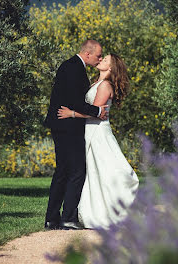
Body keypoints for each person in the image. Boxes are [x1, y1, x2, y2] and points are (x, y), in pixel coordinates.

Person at [57, 53, 139, 229]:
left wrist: (70, 113)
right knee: (93, 171)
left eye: (105, 60)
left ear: (110, 68)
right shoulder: (95, 83)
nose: (101, 60)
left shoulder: (104, 86)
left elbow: (95, 112)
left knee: (105, 169)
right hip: (89, 129)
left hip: (98, 132)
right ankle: (94, 211)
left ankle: (114, 211)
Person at [43, 40, 108, 230]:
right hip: (68, 127)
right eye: (98, 55)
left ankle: (52, 218)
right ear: (87, 54)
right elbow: (74, 101)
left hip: (63, 125)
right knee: (77, 171)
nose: (100, 58)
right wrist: (97, 111)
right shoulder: (74, 68)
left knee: (63, 172)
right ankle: (68, 218)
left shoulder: (71, 66)